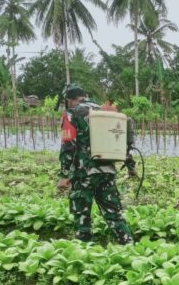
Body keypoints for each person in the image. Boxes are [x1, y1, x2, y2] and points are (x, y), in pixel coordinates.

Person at [56, 84, 136, 244]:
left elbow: (68, 145)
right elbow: (120, 141)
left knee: (82, 214)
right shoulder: (106, 112)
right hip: (107, 171)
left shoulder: (71, 114)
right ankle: (128, 244)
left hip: (84, 172)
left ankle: (85, 250)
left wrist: (64, 175)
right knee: (114, 213)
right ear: (85, 95)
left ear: (69, 100)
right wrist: (130, 165)